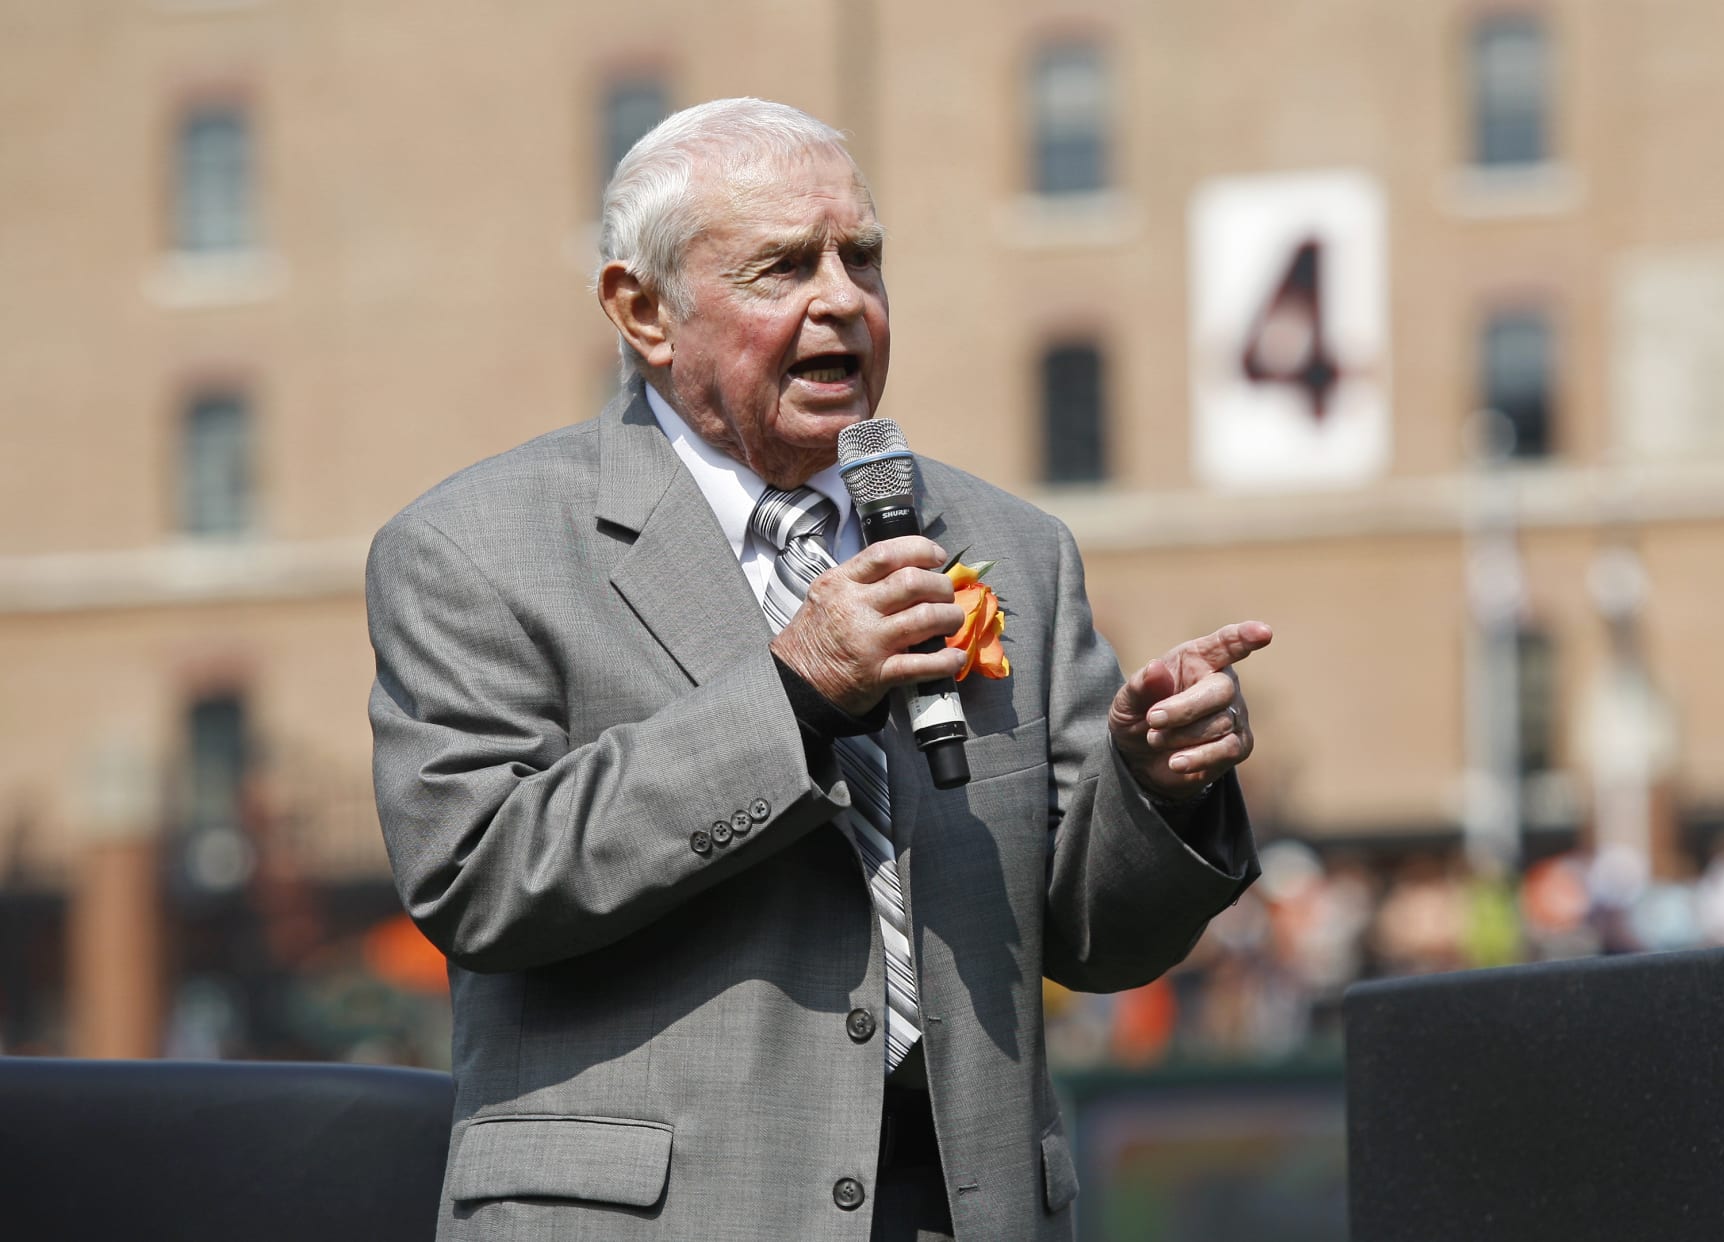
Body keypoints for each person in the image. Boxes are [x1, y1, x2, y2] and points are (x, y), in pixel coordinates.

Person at [366, 98, 1268, 1241]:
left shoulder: (1009, 545)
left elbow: (1097, 943)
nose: (841, 298)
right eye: (784, 267)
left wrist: (1153, 787)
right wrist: (794, 695)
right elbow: (478, 877)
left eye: (864, 259)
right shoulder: (475, 549)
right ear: (643, 311)